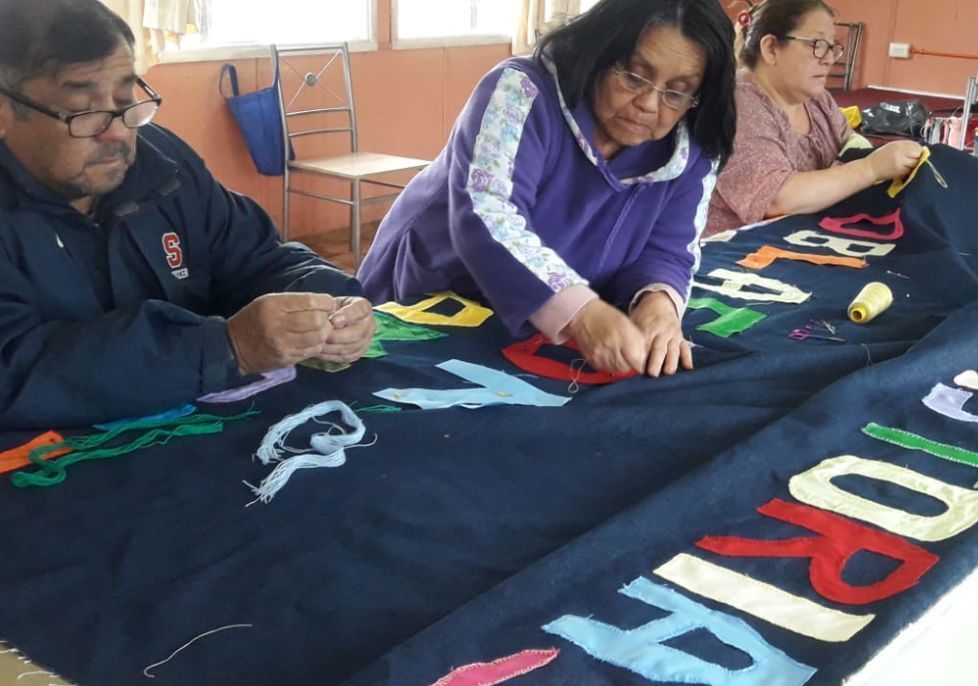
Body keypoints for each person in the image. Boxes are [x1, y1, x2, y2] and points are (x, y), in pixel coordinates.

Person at [0, 0, 375, 429]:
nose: (119, 131)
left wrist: (327, 301)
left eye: (126, 100)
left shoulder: (163, 164)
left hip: (190, 437)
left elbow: (256, 257)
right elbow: (14, 373)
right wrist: (225, 348)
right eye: (85, 113)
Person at [358, 0, 736, 378]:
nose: (649, 104)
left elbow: (668, 247)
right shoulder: (522, 92)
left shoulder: (692, 146)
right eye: (634, 77)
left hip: (548, 323)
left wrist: (657, 304)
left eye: (677, 92)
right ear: (600, 52)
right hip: (440, 291)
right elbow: (488, 214)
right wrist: (581, 312)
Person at [704, 0, 925, 235]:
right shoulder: (738, 102)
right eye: (817, 44)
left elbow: (850, 147)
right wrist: (870, 168)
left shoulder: (818, 101)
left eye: (832, 47)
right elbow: (777, 199)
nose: (830, 58)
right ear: (771, 48)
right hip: (730, 256)